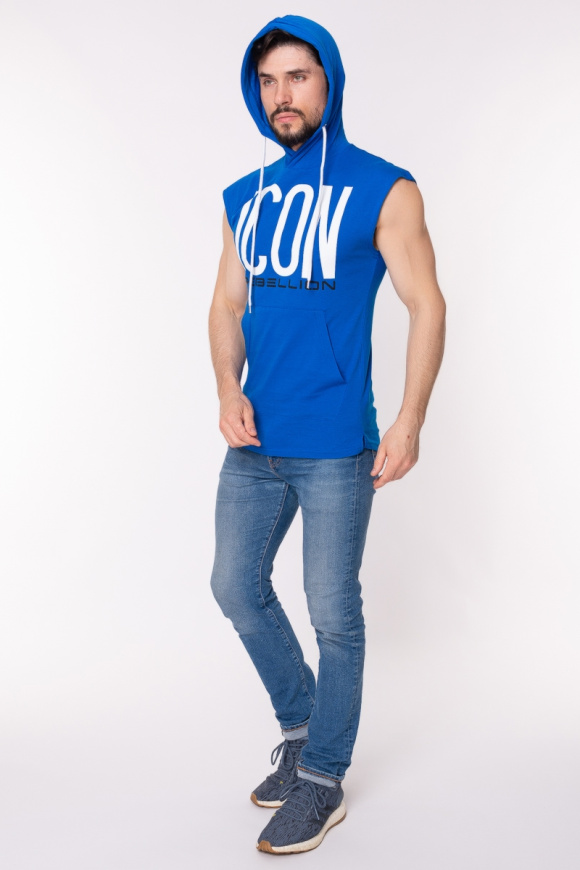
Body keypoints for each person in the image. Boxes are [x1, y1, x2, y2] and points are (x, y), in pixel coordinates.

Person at [208, 15, 446, 855]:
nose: (283, 94)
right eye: (269, 81)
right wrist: (227, 388)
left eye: (298, 76)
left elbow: (427, 304)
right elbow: (226, 304)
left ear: (329, 82)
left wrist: (410, 418)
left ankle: (323, 780)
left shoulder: (385, 187)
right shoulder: (245, 196)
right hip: (254, 443)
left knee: (334, 612)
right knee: (235, 586)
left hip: (338, 443)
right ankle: (303, 727)